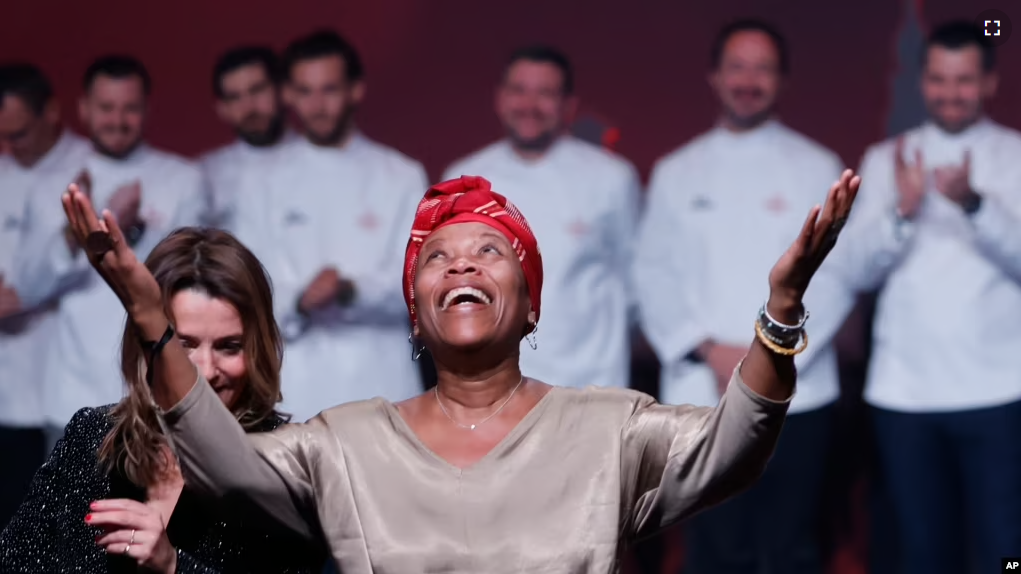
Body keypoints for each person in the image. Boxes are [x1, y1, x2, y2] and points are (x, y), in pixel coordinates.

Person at [61, 164, 860, 572]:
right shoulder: (343, 442)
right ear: (414, 313)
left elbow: (736, 446)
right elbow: (226, 469)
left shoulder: (611, 427)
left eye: (489, 251)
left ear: (532, 306)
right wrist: (152, 320)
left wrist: (782, 304)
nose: (459, 264)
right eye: (435, 258)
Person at [633, 20, 857, 573]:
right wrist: (707, 349)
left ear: (781, 80)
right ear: (714, 76)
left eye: (762, 68)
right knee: (711, 550)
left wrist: (765, 353)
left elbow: (835, 276)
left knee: (794, 548)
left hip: (797, 396)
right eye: (737, 66)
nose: (748, 80)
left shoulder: (818, 166)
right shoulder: (675, 172)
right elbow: (651, 274)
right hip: (699, 393)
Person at [0, 227, 326, 573]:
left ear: (258, 349)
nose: (205, 370)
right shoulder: (93, 436)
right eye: (183, 345)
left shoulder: (287, 463)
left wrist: (173, 566)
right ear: (145, 340)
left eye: (229, 347)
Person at [842, 21, 1021, 573]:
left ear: (990, 82)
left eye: (965, 80)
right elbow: (852, 270)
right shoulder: (884, 158)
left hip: (1000, 389)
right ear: (922, 81)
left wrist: (975, 207)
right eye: (940, 80)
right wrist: (901, 211)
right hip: (905, 395)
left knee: (1004, 548)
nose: (951, 92)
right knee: (920, 553)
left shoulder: (1015, 156)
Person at [232, 30, 427, 421]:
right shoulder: (261, 181)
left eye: (330, 90)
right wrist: (300, 301)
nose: (317, 105)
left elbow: (420, 282)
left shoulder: (401, 175)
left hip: (386, 386)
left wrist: (350, 290)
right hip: (295, 388)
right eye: (305, 91)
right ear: (287, 95)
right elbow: (246, 285)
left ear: (356, 90)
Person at [13, 55, 205, 444]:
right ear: (84, 109)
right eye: (106, 108)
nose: (117, 120)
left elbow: (190, 283)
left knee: (158, 507)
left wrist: (127, 229)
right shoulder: (54, 182)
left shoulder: (183, 179)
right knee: (67, 507)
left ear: (147, 110)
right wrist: (76, 229)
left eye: (129, 108)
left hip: (158, 392)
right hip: (73, 393)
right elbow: (28, 286)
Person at [442, 46, 640, 390]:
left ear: (569, 106)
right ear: (500, 98)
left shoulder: (611, 178)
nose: (529, 105)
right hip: (489, 386)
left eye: (545, 93)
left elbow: (635, 287)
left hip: (589, 384)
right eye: (519, 91)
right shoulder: (465, 178)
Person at [0, 63, 91, 527]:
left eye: (20, 133)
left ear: (52, 112)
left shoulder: (89, 167)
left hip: (62, 381)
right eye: (3, 137)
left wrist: (26, 293)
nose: (12, 147)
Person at [199, 45, 292, 229]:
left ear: (282, 90)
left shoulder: (323, 159)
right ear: (222, 108)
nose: (248, 107)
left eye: (257, 90)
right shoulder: (206, 175)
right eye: (234, 97)